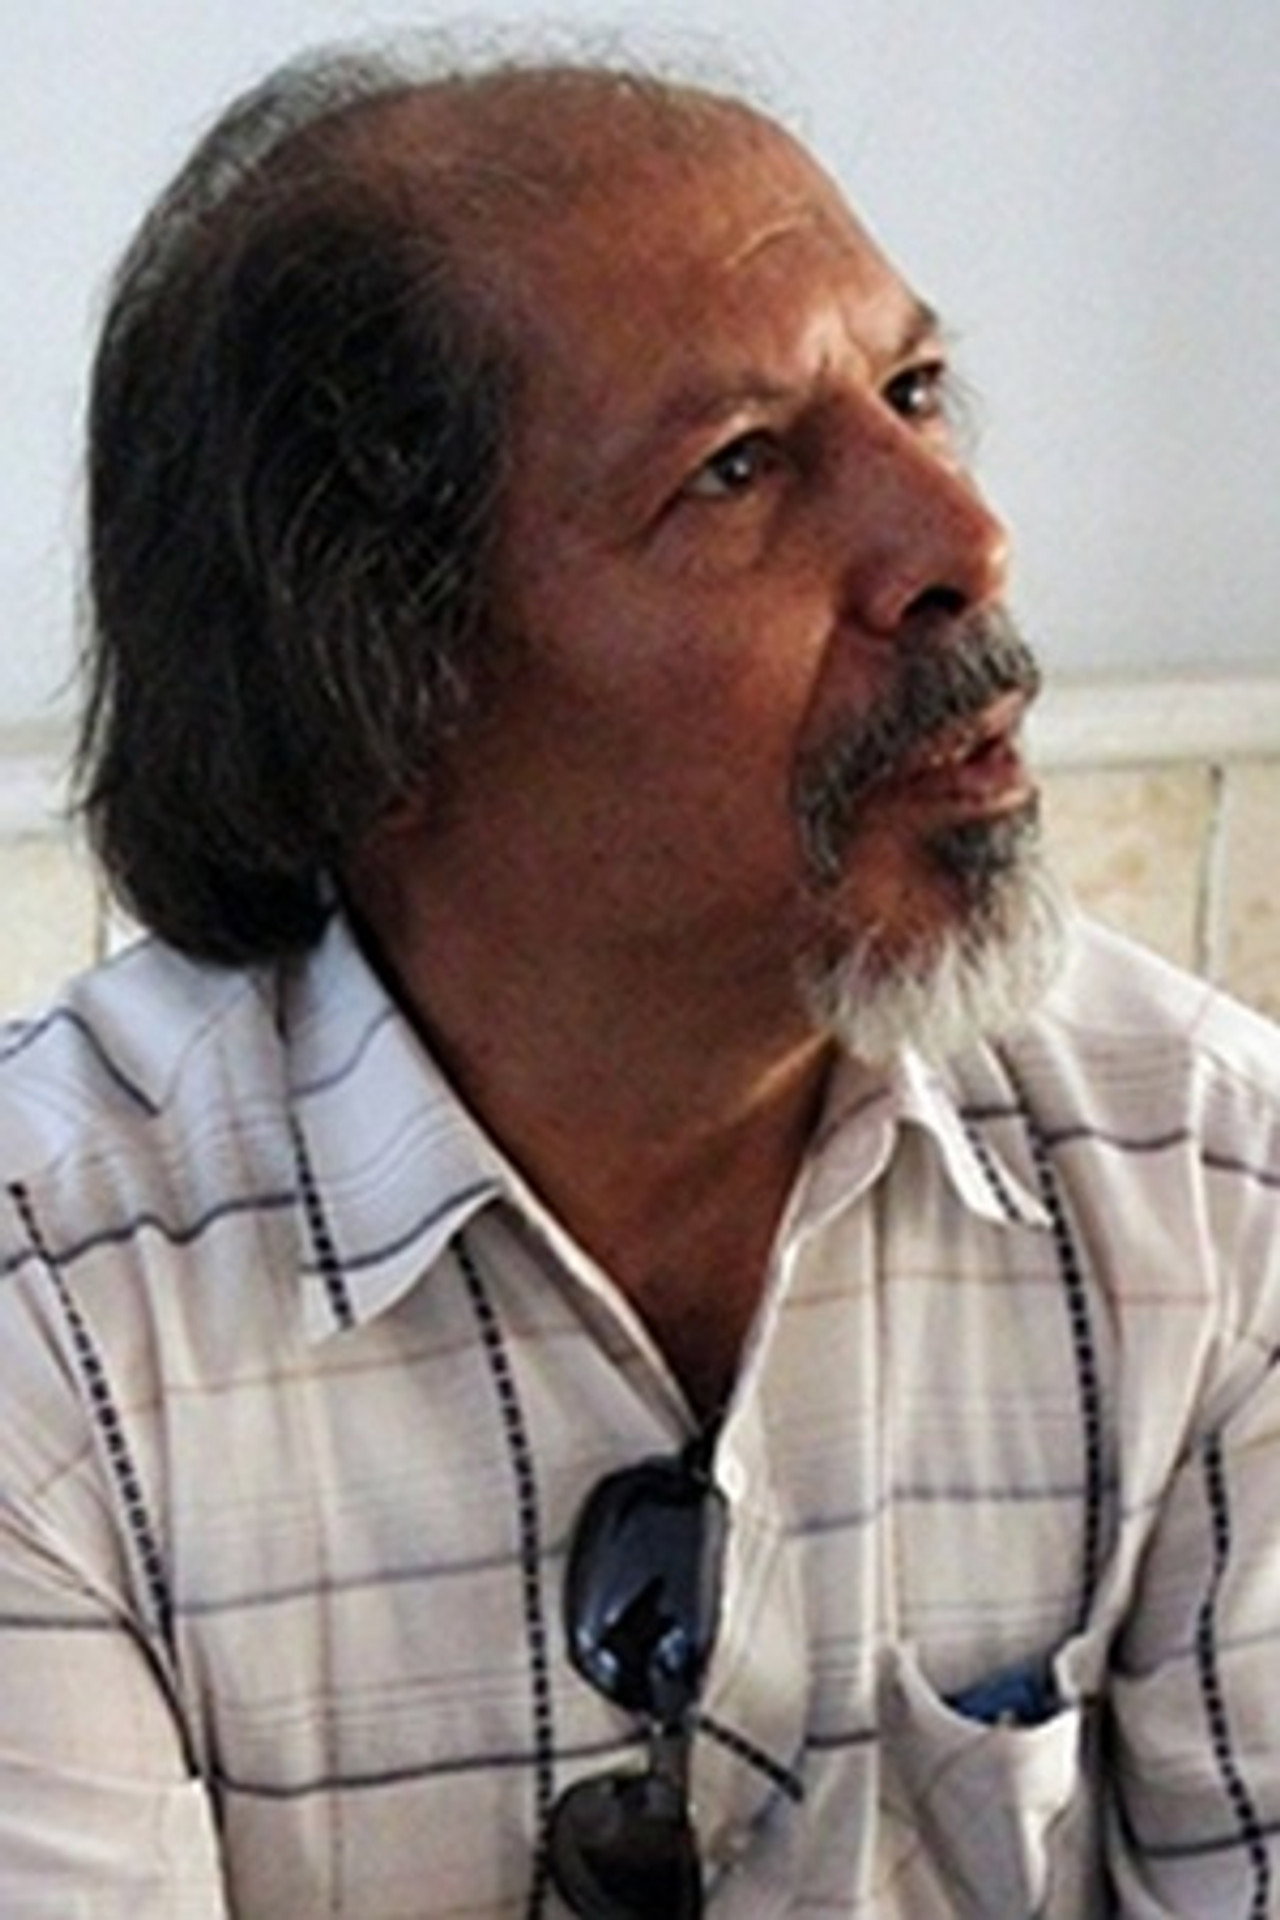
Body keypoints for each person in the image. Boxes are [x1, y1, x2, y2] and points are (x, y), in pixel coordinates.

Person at [0, 36, 1277, 1920]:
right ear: (378, 687)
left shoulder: (1209, 1187)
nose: (963, 539)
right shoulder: (55, 1328)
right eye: (738, 468)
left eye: (916, 391)